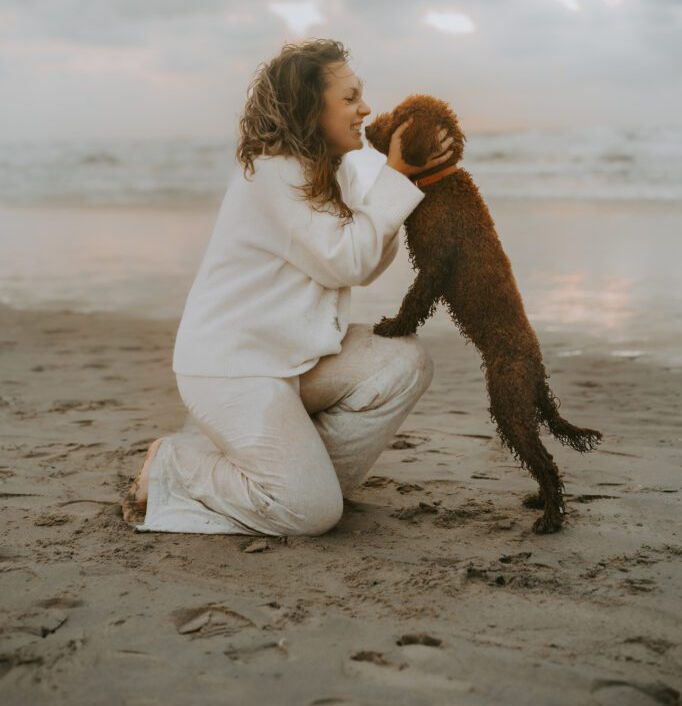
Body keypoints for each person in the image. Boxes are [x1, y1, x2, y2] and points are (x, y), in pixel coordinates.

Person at [122, 38, 454, 536]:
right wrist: (396, 177)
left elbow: (362, 263)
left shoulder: (333, 168)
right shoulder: (275, 172)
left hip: (291, 358)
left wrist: (407, 182)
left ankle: (298, 483)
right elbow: (348, 260)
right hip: (235, 369)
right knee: (310, 514)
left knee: (404, 361)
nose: (365, 109)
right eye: (349, 98)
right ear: (308, 109)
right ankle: (175, 465)